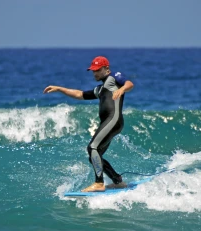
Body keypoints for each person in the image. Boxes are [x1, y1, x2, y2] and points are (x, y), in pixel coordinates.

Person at [43, 56, 134, 192]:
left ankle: (99, 183)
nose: (95, 73)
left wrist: (122, 90)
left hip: (113, 120)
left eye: (97, 70)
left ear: (106, 69)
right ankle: (118, 181)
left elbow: (129, 83)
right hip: (109, 122)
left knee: (92, 148)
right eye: (93, 71)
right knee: (94, 156)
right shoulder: (100, 89)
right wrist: (59, 89)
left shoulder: (114, 78)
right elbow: (80, 94)